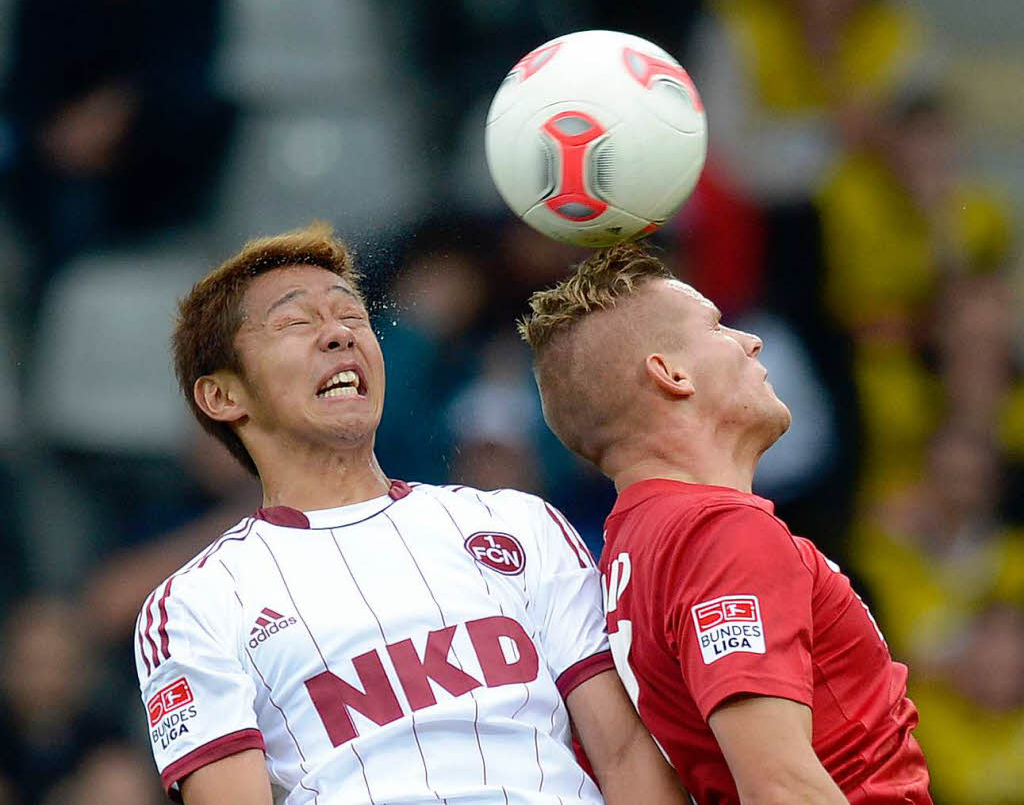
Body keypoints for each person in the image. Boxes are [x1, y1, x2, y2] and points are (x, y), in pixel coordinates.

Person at [133, 223, 686, 805]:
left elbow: (625, 754)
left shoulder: (521, 525)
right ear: (222, 396)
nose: (340, 336)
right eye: (296, 322)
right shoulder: (197, 603)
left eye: (353, 317)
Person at [518, 243, 932, 804]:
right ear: (672, 373)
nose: (750, 340)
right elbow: (778, 787)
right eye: (716, 326)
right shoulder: (718, 533)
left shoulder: (633, 549)